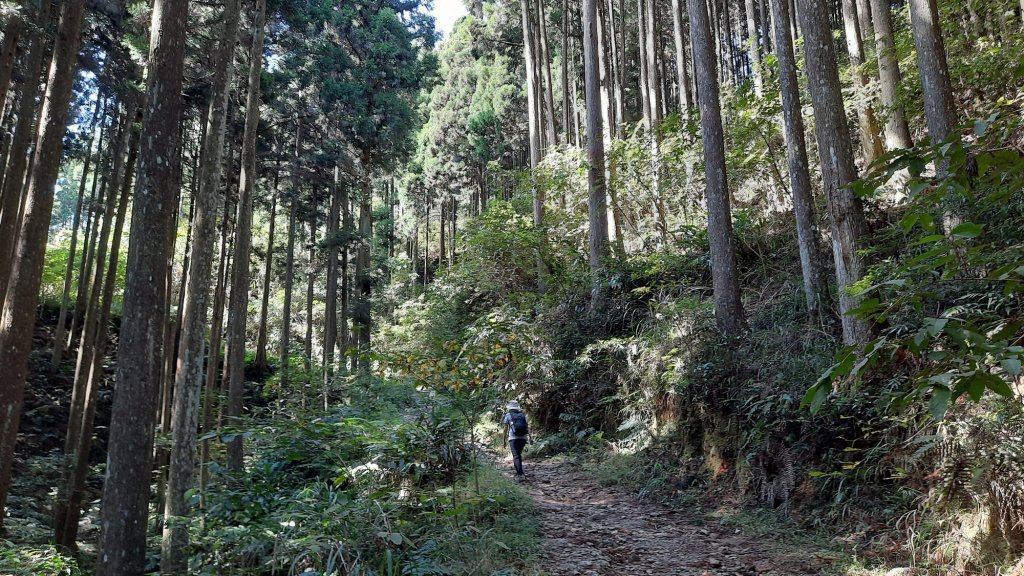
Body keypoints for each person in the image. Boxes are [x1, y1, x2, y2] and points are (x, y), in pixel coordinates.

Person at [502, 400, 530, 479]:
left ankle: (520, 474)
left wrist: (503, 440)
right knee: (518, 455)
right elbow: (527, 427)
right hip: (523, 438)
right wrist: (530, 438)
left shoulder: (508, 415)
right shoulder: (522, 415)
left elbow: (505, 429)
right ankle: (520, 471)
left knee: (516, 456)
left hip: (513, 438)